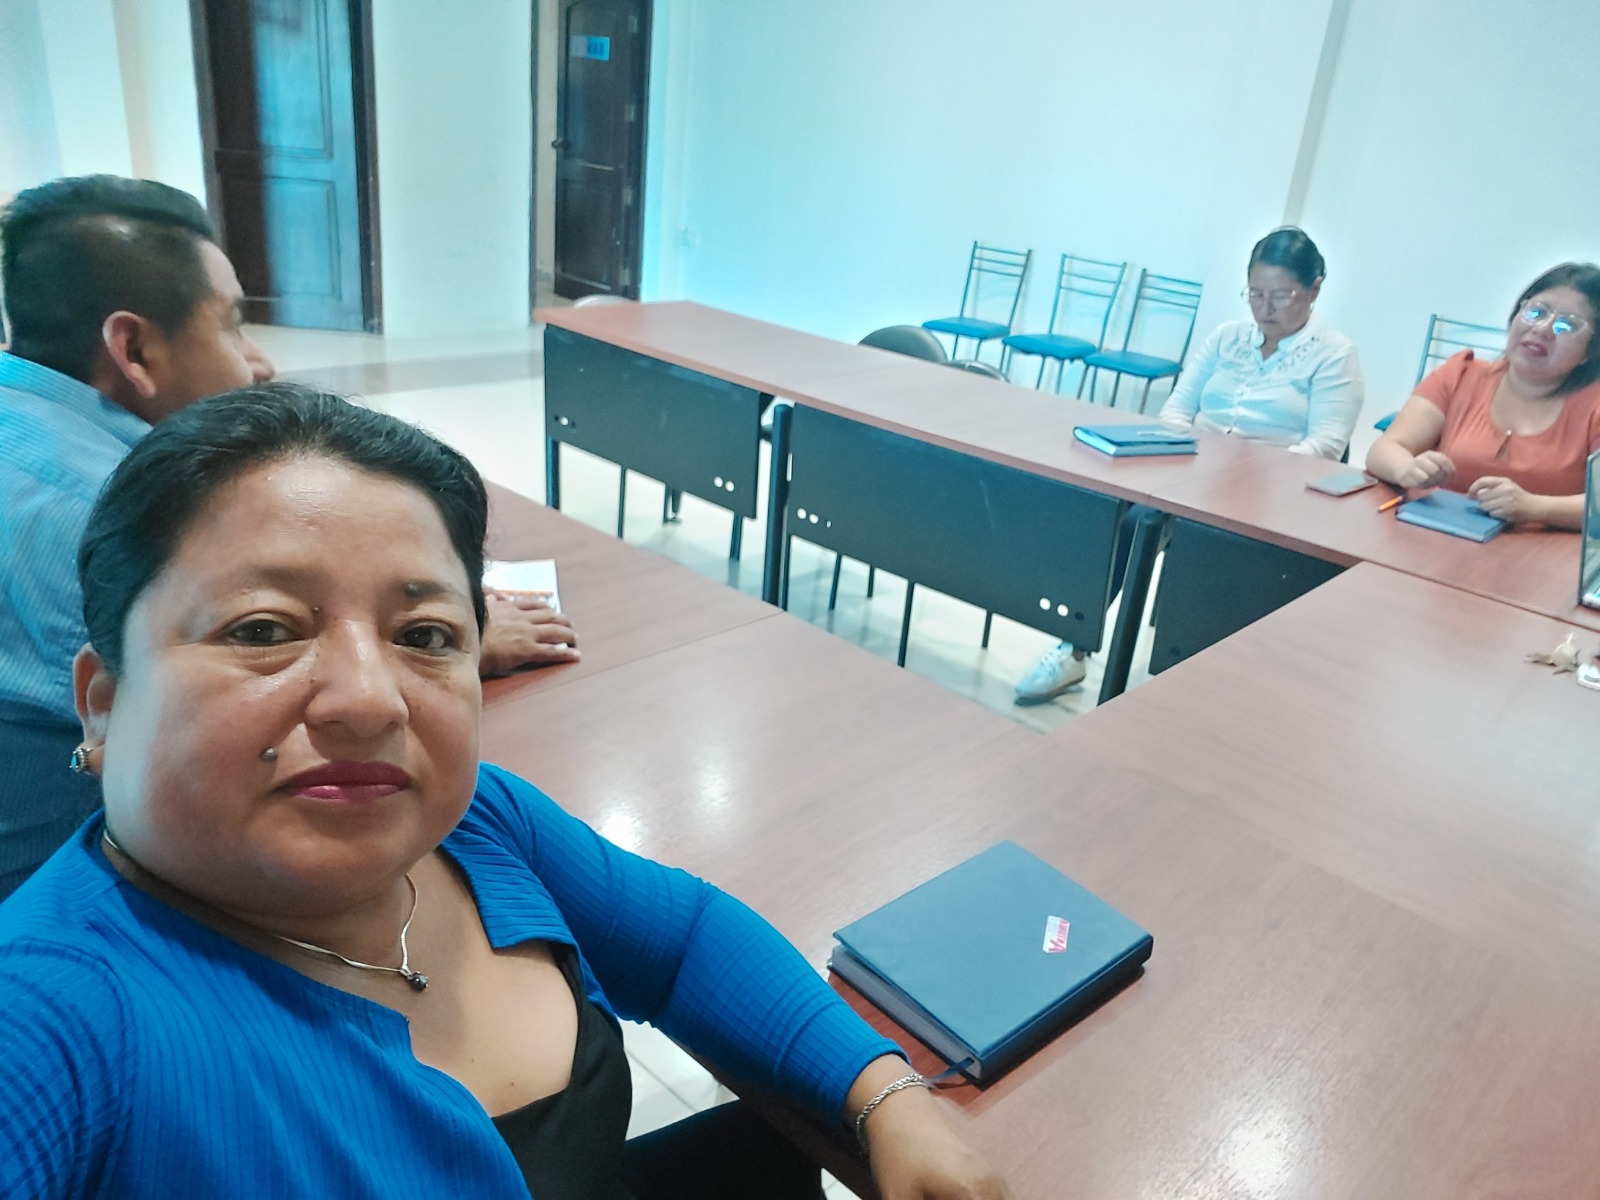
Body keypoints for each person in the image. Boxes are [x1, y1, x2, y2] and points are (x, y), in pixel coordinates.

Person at [0, 384, 1008, 1199]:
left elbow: (684, 939)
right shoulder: (56, 1018)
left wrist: (888, 1097)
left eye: (424, 635)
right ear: (102, 704)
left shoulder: (478, 824)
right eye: (264, 629)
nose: (369, 699)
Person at [0, 175, 575, 897]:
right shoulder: (93, 508)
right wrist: (451, 640)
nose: (260, 363)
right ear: (134, 348)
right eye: (232, 325)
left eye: (425, 635)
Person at [1015, 227, 1364, 704]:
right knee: (1118, 517)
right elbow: (1177, 410)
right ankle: (1072, 648)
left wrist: (1244, 475)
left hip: (1271, 501)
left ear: (1314, 289)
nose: (1266, 308)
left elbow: (1324, 447)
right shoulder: (1227, 338)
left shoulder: (1334, 355)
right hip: (1193, 476)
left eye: (1282, 296)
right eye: (1256, 294)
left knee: (1207, 550)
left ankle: (1191, 684)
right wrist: (1197, 462)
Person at [1366, 262, 1600, 529]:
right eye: (1536, 312)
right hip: (1439, 535)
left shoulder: (1594, 406)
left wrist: (1535, 508)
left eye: (1566, 326)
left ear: (1590, 351)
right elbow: (1384, 449)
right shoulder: (1462, 374)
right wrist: (1406, 468)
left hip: (1539, 549)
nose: (1542, 329)